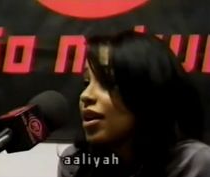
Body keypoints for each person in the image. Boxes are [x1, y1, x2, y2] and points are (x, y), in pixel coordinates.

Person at [57, 31, 210, 177]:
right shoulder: (77, 162)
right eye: (86, 83)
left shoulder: (193, 163)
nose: (86, 96)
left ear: (148, 90)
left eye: (108, 82)